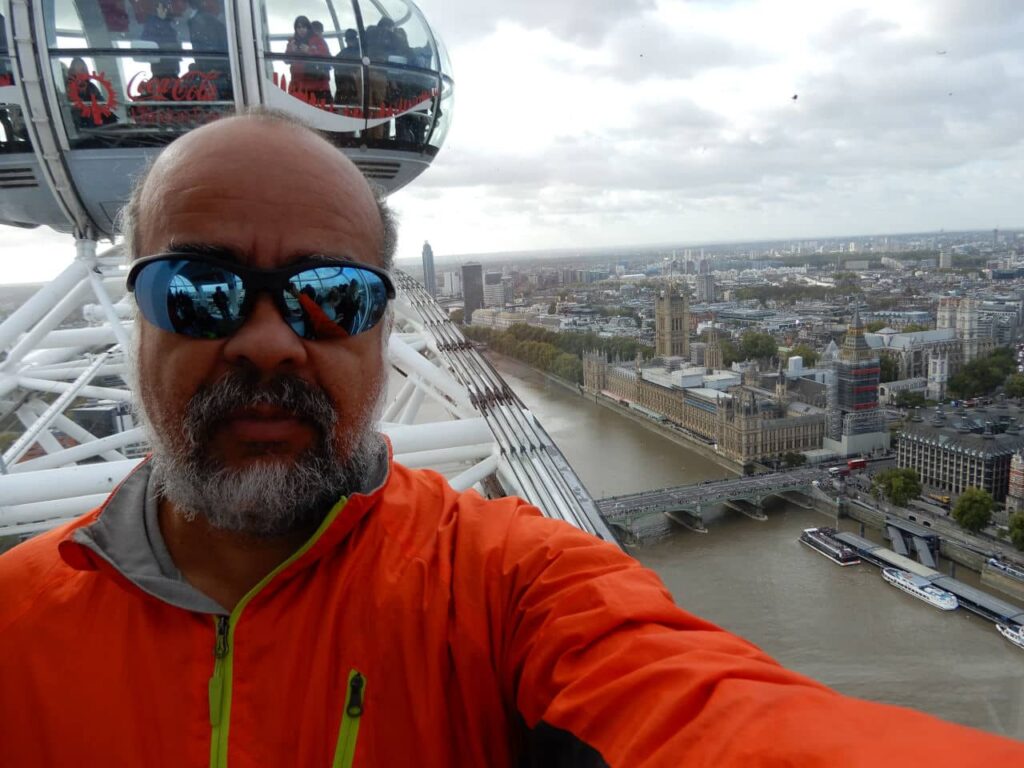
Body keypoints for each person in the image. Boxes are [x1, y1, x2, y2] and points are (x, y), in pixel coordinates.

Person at [1, 110, 1022, 766]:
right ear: (134, 313)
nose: (268, 340)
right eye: (199, 289)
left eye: (330, 295)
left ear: (382, 326)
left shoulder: (507, 583)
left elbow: (709, 720)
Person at [285, 14, 330, 104]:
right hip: (298, 86)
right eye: (299, 27)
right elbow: (286, 60)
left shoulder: (317, 40)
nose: (301, 30)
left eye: (304, 27)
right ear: (295, 29)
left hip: (317, 86)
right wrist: (291, 51)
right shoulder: (293, 42)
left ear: (308, 28)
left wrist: (309, 51)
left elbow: (326, 57)